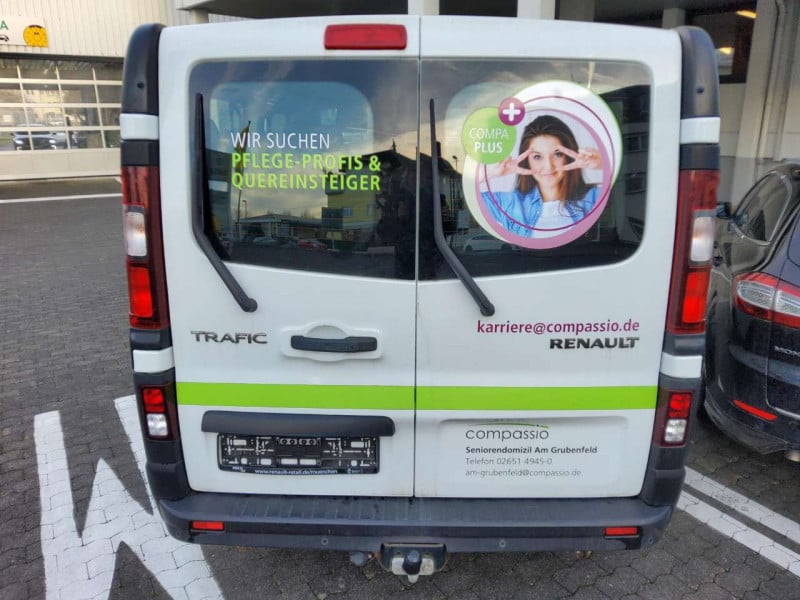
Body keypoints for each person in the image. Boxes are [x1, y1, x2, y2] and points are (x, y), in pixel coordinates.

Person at [480, 115, 602, 238]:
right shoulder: (510, 204)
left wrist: (603, 163)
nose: (548, 166)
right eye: (537, 157)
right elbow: (471, 198)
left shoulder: (593, 197)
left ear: (567, 157)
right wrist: (490, 172)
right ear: (527, 161)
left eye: (557, 154)